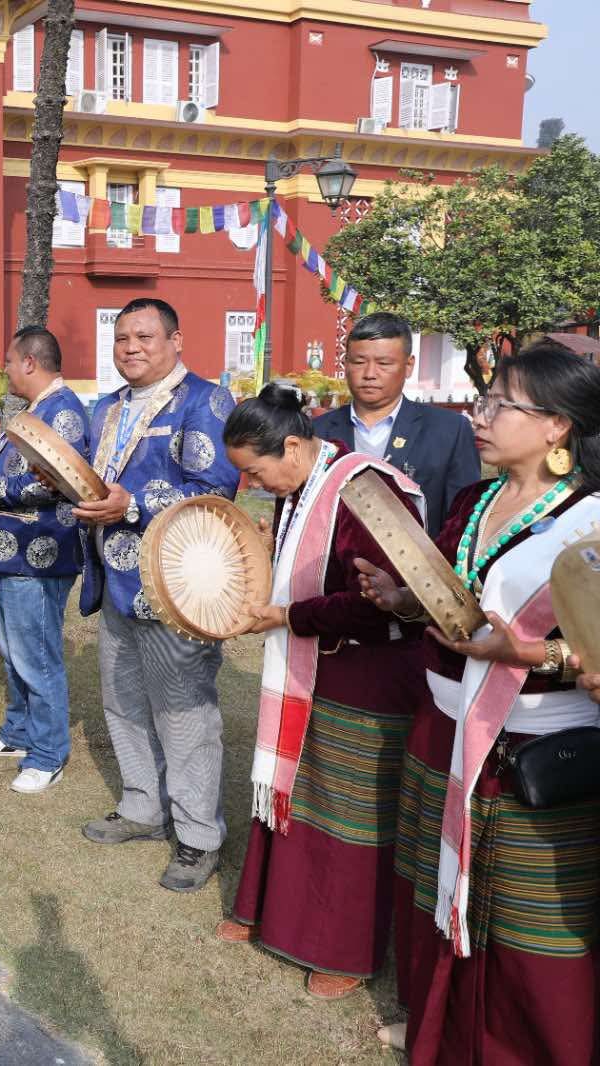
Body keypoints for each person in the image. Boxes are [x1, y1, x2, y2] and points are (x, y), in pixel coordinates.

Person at [359, 344, 600, 1065]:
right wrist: (404, 598)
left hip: (532, 745)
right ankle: (440, 1028)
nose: (479, 416)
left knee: (525, 920)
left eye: (499, 404)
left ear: (557, 426)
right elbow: (457, 603)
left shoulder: (590, 523)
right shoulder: (473, 501)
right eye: (482, 400)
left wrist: (532, 654)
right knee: (441, 884)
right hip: (445, 725)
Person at [214, 384, 426, 999]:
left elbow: (382, 603)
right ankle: (267, 911)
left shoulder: (367, 491)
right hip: (315, 661)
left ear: (291, 447)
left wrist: (289, 616)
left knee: (347, 811)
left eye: (257, 472)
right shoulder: (304, 484)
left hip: (370, 673)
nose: (255, 484)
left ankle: (344, 948)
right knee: (290, 786)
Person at [75, 298, 239, 893]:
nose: (131, 348)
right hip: (116, 584)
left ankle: (199, 836)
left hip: (175, 586)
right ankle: (143, 806)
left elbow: (216, 488)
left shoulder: (205, 401)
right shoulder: (107, 407)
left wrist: (134, 504)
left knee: (185, 714)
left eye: (145, 336)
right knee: (123, 703)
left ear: (176, 340)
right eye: (122, 338)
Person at [0, 328, 88, 794]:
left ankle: (48, 754)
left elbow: (56, 484)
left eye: (9, 361)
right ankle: (19, 733)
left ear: (30, 362)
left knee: (36, 658)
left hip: (38, 555)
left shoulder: (63, 412)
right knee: (15, 652)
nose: (4, 370)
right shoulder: (37, 408)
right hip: (15, 556)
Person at [313, 312, 480, 537]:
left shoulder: (449, 431)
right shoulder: (316, 432)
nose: (370, 374)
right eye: (359, 362)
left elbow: (462, 523)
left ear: (408, 365)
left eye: (384, 363)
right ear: (346, 363)